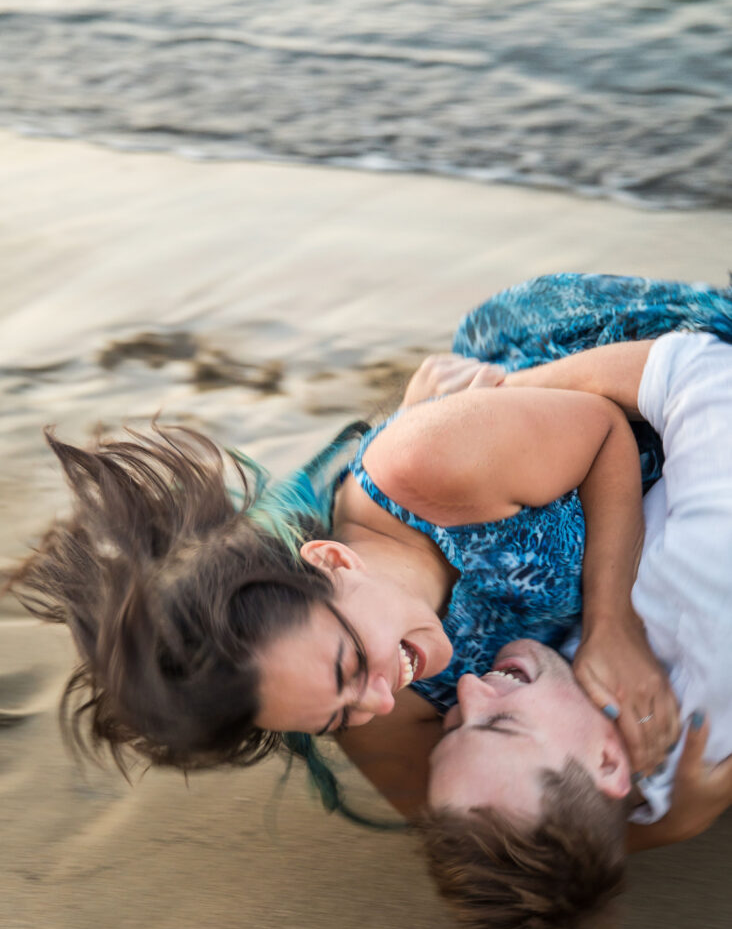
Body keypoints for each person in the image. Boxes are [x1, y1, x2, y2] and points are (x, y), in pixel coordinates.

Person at [8, 275, 731, 837]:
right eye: (335, 718)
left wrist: (611, 624)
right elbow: (454, 817)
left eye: (351, 667)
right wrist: (674, 823)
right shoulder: (373, 702)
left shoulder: (433, 466)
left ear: (333, 563)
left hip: (600, 391)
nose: (383, 702)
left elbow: (605, 430)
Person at [423, 330, 732, 929]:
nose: (466, 690)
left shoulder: (652, 786)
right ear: (610, 760)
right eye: (499, 724)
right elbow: (700, 369)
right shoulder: (702, 593)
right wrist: (495, 395)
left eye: (452, 729)